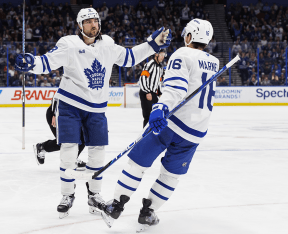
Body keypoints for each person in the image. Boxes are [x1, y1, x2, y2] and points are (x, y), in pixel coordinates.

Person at [15, 8, 172, 219]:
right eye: (88, 22)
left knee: (98, 154)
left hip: (97, 108)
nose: (93, 25)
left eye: (95, 21)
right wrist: (31, 63)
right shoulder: (69, 44)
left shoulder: (107, 44)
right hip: (70, 104)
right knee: (69, 152)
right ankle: (67, 195)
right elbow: (48, 61)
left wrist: (152, 45)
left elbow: (129, 57)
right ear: (80, 26)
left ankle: (94, 195)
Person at [89, 19, 219, 232]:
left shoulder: (181, 54)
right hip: (196, 131)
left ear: (189, 36)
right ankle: (148, 212)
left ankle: (116, 205)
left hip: (171, 123)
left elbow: (176, 89)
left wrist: (160, 108)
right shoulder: (214, 62)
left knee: (137, 163)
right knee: (171, 175)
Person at [33, 95, 86, 170]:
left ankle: (73, 159)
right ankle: (42, 147)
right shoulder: (70, 85)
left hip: (72, 117)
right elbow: (56, 97)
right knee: (65, 142)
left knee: (84, 137)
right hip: (58, 116)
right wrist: (54, 114)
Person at [139, 49, 166, 127]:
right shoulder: (150, 64)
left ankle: (153, 133)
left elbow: (158, 82)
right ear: (156, 54)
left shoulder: (160, 68)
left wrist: (160, 93)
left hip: (153, 94)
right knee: (147, 116)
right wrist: (147, 92)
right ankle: (145, 135)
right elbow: (143, 78)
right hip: (146, 92)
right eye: (161, 55)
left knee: (155, 115)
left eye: (164, 55)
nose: (162, 57)